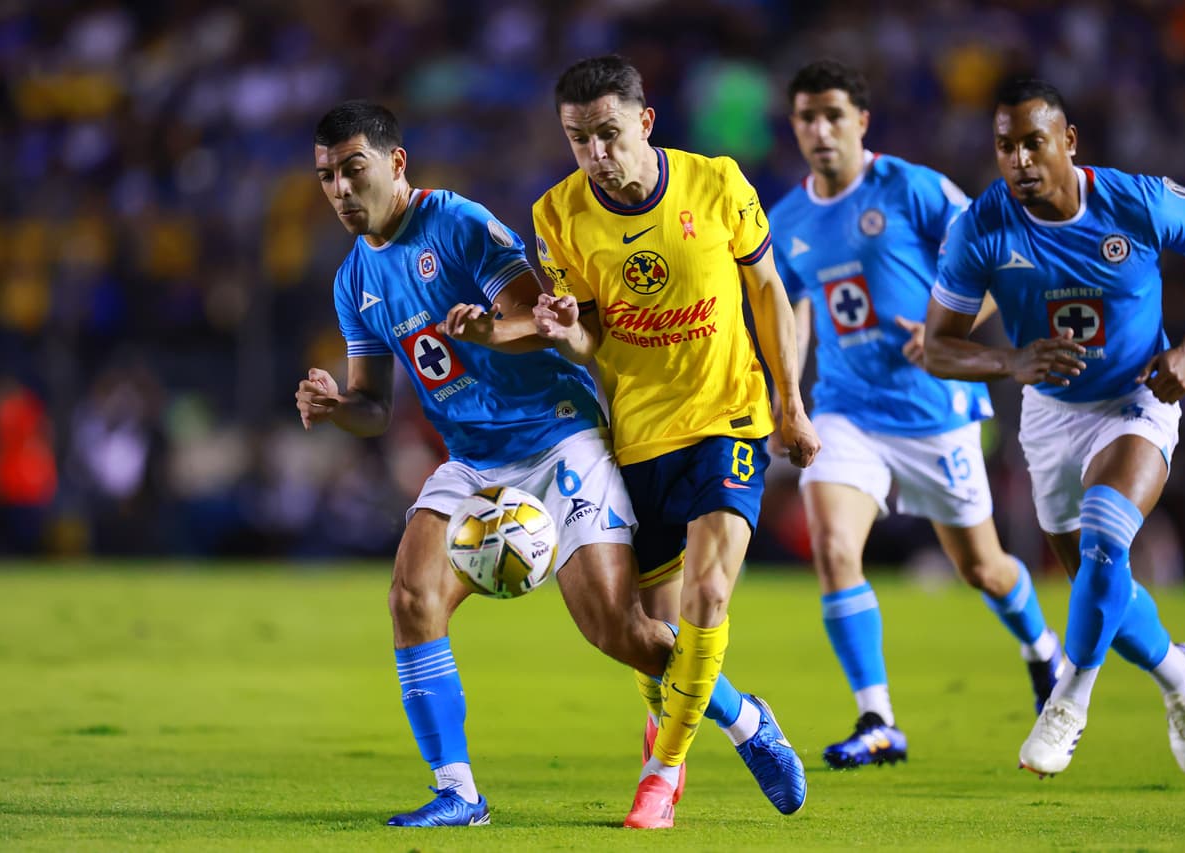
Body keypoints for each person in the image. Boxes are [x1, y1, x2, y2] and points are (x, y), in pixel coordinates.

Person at [300, 100, 799, 828]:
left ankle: (745, 718)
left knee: (615, 629)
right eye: (327, 177)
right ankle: (458, 792)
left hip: (558, 435)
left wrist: (490, 328)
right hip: (474, 459)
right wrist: (336, 405)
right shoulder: (353, 282)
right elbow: (374, 405)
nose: (341, 189)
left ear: (396, 164)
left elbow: (547, 320)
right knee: (411, 598)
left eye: (354, 169)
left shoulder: (459, 224)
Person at [531, 55, 821, 828]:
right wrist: (567, 335)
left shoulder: (717, 183)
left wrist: (790, 404)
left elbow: (768, 291)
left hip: (727, 416)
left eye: (609, 133)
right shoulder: (556, 214)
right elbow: (590, 339)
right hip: (636, 433)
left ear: (645, 123)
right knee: (649, 643)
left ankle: (659, 776)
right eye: (578, 138)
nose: (595, 152)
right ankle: (743, 716)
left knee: (708, 596)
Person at [924, 77, 1185, 777]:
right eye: (1005, 147)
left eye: (1033, 143)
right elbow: (938, 344)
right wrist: (1011, 359)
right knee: (1105, 582)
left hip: (1137, 401)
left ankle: (1068, 697)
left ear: (1068, 141)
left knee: (1106, 529)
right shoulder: (982, 226)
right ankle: (1177, 674)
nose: (1018, 161)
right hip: (1050, 416)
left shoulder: (1138, 201)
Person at [767, 60, 1064, 770]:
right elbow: (794, 311)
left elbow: (994, 258)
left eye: (833, 114)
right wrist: (790, 397)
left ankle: (1042, 650)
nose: (819, 130)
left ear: (861, 122)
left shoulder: (912, 186)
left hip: (934, 410)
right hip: (846, 409)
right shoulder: (786, 219)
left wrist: (945, 332)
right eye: (807, 117)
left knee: (984, 568)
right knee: (834, 546)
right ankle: (878, 717)